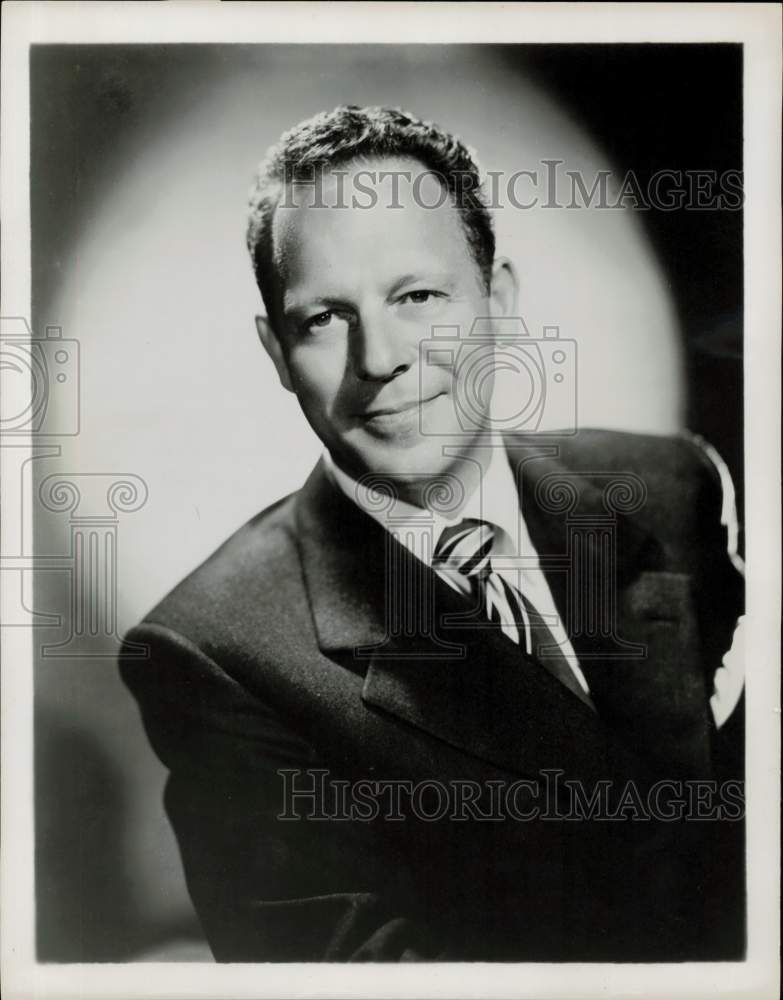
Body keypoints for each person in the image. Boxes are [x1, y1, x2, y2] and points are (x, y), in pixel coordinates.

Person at [120, 106, 745, 962]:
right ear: (274, 353)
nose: (378, 357)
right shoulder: (213, 653)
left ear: (499, 302)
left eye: (417, 296)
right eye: (323, 319)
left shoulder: (675, 485)